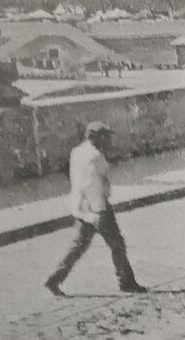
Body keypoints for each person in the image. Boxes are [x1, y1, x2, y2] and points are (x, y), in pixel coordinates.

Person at [46, 124, 141, 295]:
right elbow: (93, 184)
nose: (108, 140)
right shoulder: (96, 156)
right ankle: (126, 282)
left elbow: (75, 177)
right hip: (97, 207)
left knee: (78, 246)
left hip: (82, 204)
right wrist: (98, 212)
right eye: (105, 136)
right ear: (95, 136)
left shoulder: (77, 151)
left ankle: (54, 279)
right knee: (117, 244)